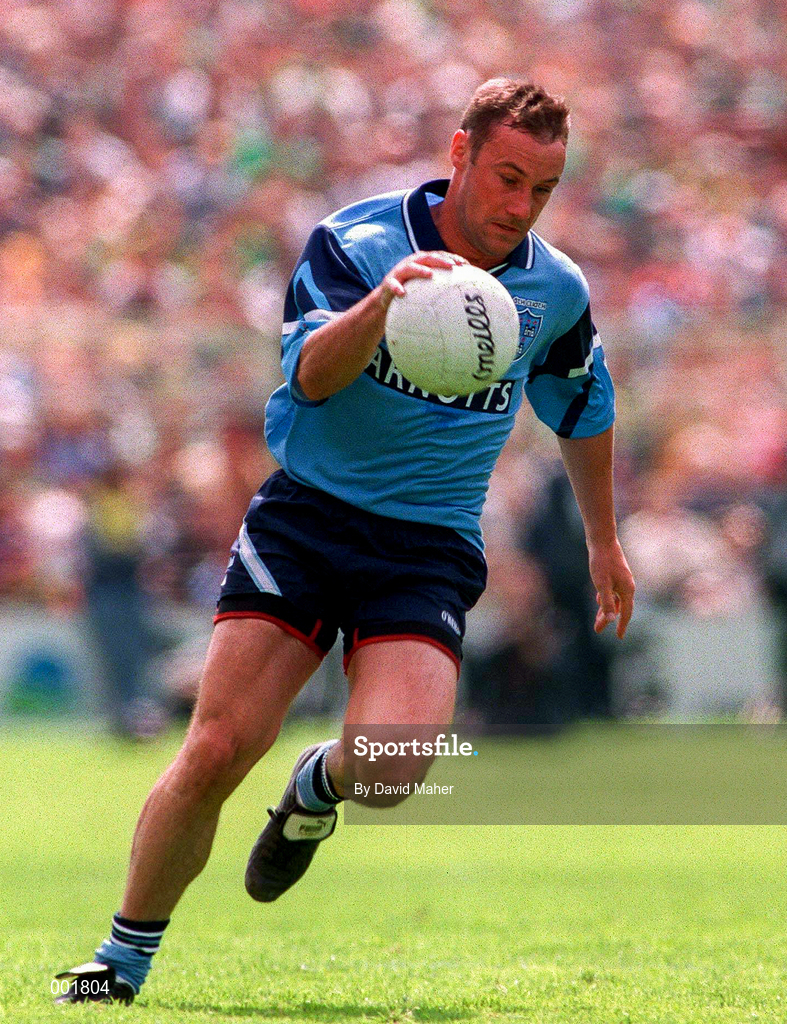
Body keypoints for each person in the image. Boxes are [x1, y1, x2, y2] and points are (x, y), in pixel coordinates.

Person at [54, 78, 635, 1005]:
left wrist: (604, 542)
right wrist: (383, 307)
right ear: (460, 154)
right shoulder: (357, 242)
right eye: (506, 177)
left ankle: (315, 787)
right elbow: (312, 380)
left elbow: (584, 409)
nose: (518, 207)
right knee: (214, 749)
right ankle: (118, 962)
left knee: (395, 769)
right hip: (308, 519)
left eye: (542, 190)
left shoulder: (553, 289)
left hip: (427, 547)